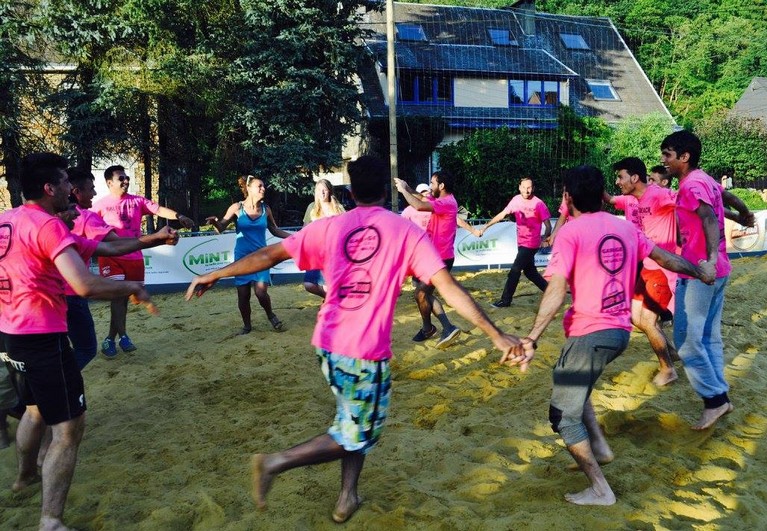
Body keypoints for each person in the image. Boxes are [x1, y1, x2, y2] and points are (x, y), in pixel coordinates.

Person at [185, 155, 524, 523]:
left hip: (328, 344)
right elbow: (450, 288)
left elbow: (269, 255)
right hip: (362, 351)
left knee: (352, 417)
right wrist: (496, 334)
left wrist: (215, 274)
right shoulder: (404, 232)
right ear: (385, 191)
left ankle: (348, 495)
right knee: (359, 431)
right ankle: (275, 462)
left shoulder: (331, 226)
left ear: (350, 192)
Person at [501, 165, 712, 506]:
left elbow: (556, 289)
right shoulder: (625, 227)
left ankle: (601, 489)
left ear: (568, 197)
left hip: (591, 334)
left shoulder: (570, 233)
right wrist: (699, 271)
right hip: (619, 333)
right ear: (602, 195)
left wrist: (532, 337)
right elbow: (666, 258)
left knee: (562, 415)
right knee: (571, 380)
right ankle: (598, 446)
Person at [0, 153, 158, 531]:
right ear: (49, 188)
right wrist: (133, 287)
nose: (71, 190)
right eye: (64, 183)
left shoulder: (8, 219)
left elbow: (101, 248)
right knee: (69, 428)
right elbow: (84, 284)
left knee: (35, 410)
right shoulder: (46, 225)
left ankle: (24, 477)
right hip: (43, 336)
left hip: (10, 334)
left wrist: (151, 239)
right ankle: (51, 520)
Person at [660, 131, 753, 430]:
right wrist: (743, 214)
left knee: (686, 342)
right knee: (709, 338)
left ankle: (715, 401)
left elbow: (710, 218)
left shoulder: (692, 184)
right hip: (718, 270)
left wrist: (709, 262)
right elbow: (726, 199)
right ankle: (720, 395)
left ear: (684, 157)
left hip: (701, 272)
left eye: (668, 155)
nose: (664, 160)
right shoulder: (703, 179)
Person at [65, 167, 179, 369]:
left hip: (45, 297)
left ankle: (116, 336)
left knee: (122, 300)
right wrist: (158, 239)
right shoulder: (89, 214)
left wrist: (177, 216)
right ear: (75, 192)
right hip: (82, 284)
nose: (94, 193)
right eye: (91, 189)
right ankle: (116, 338)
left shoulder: (38, 218)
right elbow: (113, 246)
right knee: (86, 347)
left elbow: (158, 210)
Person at [92, 165, 193, 357]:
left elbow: (158, 209)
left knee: (126, 299)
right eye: (121, 178)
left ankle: (110, 339)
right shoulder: (99, 206)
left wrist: (178, 216)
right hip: (111, 256)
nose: (126, 181)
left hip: (134, 256)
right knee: (118, 296)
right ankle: (123, 337)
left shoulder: (137, 201)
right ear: (109, 183)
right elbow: (87, 226)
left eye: (127, 177)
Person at [604, 157, 680, 386]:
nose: (617, 181)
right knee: (636, 317)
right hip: (646, 266)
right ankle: (671, 352)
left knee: (647, 320)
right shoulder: (630, 199)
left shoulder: (659, 194)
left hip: (663, 268)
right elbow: (609, 199)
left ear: (635, 178)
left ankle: (668, 369)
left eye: (621, 177)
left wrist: (734, 214)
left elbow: (691, 202)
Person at [394, 171, 480, 349]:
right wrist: (407, 187)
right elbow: (422, 197)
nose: (430, 186)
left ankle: (444, 328)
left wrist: (403, 191)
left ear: (441, 186)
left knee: (421, 293)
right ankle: (429, 328)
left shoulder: (446, 203)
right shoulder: (442, 199)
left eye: (432, 183)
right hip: (432, 257)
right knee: (423, 294)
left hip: (440, 260)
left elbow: (419, 205)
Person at [205, 175, 292, 334]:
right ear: (249, 188)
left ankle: (271, 315)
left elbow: (274, 230)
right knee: (243, 295)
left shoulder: (266, 209)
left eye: (263, 186)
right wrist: (215, 223)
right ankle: (247, 326)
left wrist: (294, 238)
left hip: (262, 257)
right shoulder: (236, 208)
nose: (263, 189)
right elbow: (221, 227)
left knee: (261, 292)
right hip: (242, 257)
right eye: (259, 186)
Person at [477, 177, 551, 307]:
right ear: (519, 187)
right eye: (524, 187)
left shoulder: (539, 204)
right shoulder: (516, 200)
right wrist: (486, 226)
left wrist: (544, 237)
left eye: (529, 188)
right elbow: (502, 214)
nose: (526, 191)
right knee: (530, 272)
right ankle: (550, 291)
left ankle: (505, 300)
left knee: (515, 270)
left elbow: (548, 225)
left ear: (533, 188)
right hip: (521, 242)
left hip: (531, 244)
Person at [301, 179, 346, 299]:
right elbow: (304, 230)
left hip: (333, 253)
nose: (322, 193)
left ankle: (331, 303)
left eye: (324, 190)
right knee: (309, 285)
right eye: (319, 190)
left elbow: (345, 230)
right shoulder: (311, 207)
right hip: (315, 253)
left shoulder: (338, 208)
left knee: (327, 286)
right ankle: (330, 300)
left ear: (329, 191)